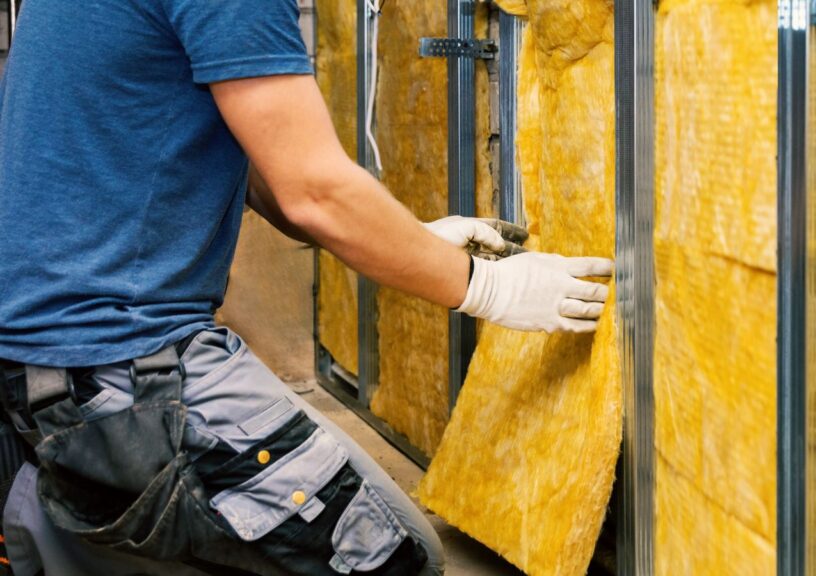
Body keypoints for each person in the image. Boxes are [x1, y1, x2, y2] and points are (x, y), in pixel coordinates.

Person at [0, 0, 613, 574]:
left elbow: (262, 166)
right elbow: (313, 190)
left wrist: (414, 239)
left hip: (39, 371)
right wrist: (490, 290)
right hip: (121, 371)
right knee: (390, 555)